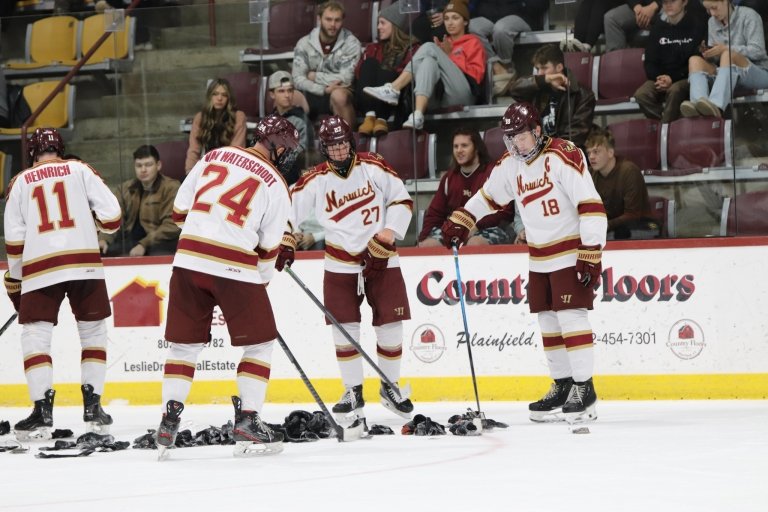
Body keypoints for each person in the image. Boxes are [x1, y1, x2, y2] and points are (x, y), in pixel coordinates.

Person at [441, 103, 607, 424]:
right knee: (548, 321)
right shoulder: (511, 165)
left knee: (571, 318)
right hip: (539, 256)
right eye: (510, 138)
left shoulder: (564, 155)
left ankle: (584, 389)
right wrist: (464, 218)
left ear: (537, 131)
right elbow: (488, 196)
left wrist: (591, 249)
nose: (516, 144)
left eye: (520, 137)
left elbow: (591, 205)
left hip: (570, 251)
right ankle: (562, 384)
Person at [154, 115, 298, 457]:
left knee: (183, 348)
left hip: (187, 259)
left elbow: (178, 213)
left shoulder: (214, 155)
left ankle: (168, 420)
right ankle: (248, 418)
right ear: (277, 146)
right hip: (234, 266)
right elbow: (268, 248)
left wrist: (208, 228)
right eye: (287, 149)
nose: (288, 155)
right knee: (261, 344)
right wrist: (261, 278)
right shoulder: (276, 182)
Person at [277, 116, 415, 421]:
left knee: (391, 326)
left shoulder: (374, 165)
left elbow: (401, 200)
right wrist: (286, 238)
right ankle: (353, 391)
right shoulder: (314, 179)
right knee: (344, 329)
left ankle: (390, 386)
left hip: (382, 257)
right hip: (339, 263)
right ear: (324, 148)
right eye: (332, 146)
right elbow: (286, 211)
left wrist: (390, 232)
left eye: (342, 144)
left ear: (350, 142)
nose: (339, 151)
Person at [3, 128, 122, 439]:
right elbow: (113, 217)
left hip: (40, 268)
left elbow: (14, 242)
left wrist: (17, 277)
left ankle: (42, 411)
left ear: (31, 152)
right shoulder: (81, 170)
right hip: (84, 263)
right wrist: (87, 223)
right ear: (61, 147)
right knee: (93, 333)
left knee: (35, 337)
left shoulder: (19, 183)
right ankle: (93, 405)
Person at [363, 0, 486, 130]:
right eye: (447, 18)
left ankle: (394, 88)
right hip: (440, 96)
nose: (450, 22)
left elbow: (476, 77)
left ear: (465, 21)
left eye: (455, 18)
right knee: (428, 61)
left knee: (429, 47)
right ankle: (418, 114)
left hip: (464, 94)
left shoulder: (473, 42)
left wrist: (449, 57)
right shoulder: (444, 42)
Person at [418, 127, 513, 246]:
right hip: (455, 230)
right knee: (428, 245)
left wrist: (474, 226)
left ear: (477, 148)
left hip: (489, 228)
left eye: (464, 145)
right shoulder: (448, 178)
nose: (459, 150)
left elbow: (505, 211)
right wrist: (422, 240)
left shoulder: (493, 173)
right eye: (455, 146)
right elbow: (434, 214)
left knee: (475, 244)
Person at [680, 0, 768, 118]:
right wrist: (709, 53)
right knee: (694, 60)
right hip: (726, 74)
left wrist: (725, 49)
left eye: (714, 8)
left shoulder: (749, 15)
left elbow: (758, 51)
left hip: (758, 72)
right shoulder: (712, 22)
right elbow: (717, 60)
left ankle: (715, 106)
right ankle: (699, 106)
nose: (712, 13)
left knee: (727, 54)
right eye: (708, 10)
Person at [503, 44, 596, 149]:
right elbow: (514, 90)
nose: (540, 73)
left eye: (544, 68)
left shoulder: (583, 95)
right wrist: (544, 80)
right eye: (538, 69)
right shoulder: (537, 89)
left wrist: (550, 151)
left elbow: (576, 135)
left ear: (559, 67)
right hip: (537, 152)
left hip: (564, 155)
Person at [98, 145, 181, 257]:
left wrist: (144, 244)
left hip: (158, 242)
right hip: (129, 241)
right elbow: (114, 217)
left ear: (158, 165)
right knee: (103, 251)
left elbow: (172, 224)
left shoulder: (171, 187)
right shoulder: (125, 189)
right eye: (139, 165)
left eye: (148, 165)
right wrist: (104, 239)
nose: (143, 170)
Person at [634, 0, 707, 123]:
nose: (668, 5)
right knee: (641, 94)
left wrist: (671, 78)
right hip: (661, 78)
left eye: (672, 1)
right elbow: (649, 61)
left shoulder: (697, 25)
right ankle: (666, 126)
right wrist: (660, 78)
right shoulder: (657, 27)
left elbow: (697, 59)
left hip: (687, 76)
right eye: (665, 2)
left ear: (684, 2)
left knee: (675, 90)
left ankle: (665, 130)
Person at [354, 1, 421, 136]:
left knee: (389, 71)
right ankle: (370, 117)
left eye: (382, 23)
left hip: (397, 99)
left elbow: (410, 74)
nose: (378, 27)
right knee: (369, 63)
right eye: (378, 23)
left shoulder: (412, 48)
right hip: (368, 101)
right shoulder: (372, 48)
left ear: (395, 25)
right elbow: (358, 74)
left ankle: (381, 119)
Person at [292, 1, 361, 128]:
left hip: (340, 92)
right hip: (312, 92)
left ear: (343, 20)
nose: (333, 25)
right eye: (328, 19)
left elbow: (346, 79)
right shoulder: (304, 43)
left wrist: (314, 76)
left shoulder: (351, 43)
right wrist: (323, 89)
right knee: (289, 96)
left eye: (337, 20)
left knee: (339, 95)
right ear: (319, 19)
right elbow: (297, 79)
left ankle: (348, 143)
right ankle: (296, 146)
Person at [586, 129, 657, 239]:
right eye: (589, 152)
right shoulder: (590, 173)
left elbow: (633, 215)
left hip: (639, 228)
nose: (591, 157)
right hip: (609, 229)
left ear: (610, 152)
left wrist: (604, 225)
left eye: (596, 152)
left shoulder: (629, 171)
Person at [469, 0, 550, 95]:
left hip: (520, 15)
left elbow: (542, 4)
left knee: (501, 30)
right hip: (488, 16)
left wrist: (522, 4)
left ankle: (506, 64)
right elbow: (471, 5)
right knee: (470, 27)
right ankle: (497, 67)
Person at [184, 77, 247, 173]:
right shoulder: (200, 117)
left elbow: (236, 151)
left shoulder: (238, 116)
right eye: (215, 94)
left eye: (224, 95)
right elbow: (194, 149)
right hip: (206, 167)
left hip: (231, 168)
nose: (219, 98)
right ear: (209, 96)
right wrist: (189, 171)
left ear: (229, 98)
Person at [268, 70, 313, 186]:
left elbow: (303, 154)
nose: (287, 95)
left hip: (293, 175)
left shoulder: (301, 120)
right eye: (281, 91)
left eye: (290, 91)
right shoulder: (269, 120)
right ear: (272, 94)